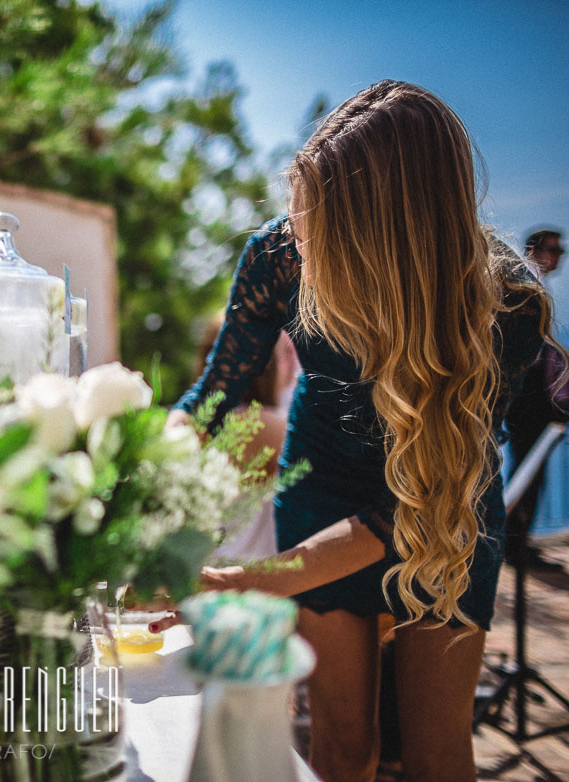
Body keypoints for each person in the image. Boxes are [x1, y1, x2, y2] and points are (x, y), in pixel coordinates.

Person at [155, 80, 564, 782]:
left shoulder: (502, 306)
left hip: (445, 515)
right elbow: (216, 396)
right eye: (296, 223)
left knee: (435, 753)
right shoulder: (276, 257)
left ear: (385, 236)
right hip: (320, 488)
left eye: (317, 233)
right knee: (342, 749)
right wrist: (132, 476)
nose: (298, 247)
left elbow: (405, 512)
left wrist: (241, 579)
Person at [195, 313, 299, 561]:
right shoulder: (269, 426)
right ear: (268, 365)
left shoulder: (194, 429)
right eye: (284, 354)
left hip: (203, 576)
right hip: (257, 581)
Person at [503, 227, 568, 569]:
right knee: (529, 472)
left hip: (528, 397)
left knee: (529, 471)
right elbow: (540, 355)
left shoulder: (532, 288)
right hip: (529, 399)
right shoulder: (529, 290)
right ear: (536, 250)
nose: (560, 257)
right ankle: (514, 546)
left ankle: (516, 542)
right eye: (555, 250)